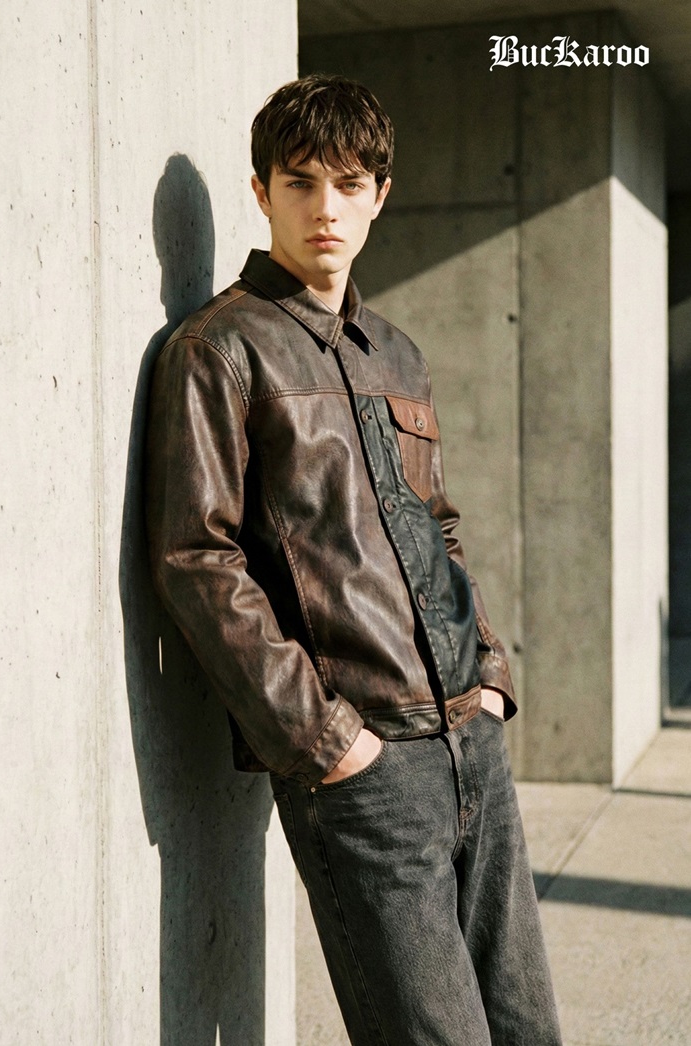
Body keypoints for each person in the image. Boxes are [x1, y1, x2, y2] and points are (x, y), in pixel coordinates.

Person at [145, 74, 561, 1046]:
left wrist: (491, 678)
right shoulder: (219, 348)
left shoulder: (397, 354)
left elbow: (437, 526)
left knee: (526, 1029)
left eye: (347, 183)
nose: (324, 208)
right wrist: (326, 737)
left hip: (469, 741)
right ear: (262, 192)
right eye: (299, 182)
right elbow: (196, 556)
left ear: (380, 194)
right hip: (363, 766)